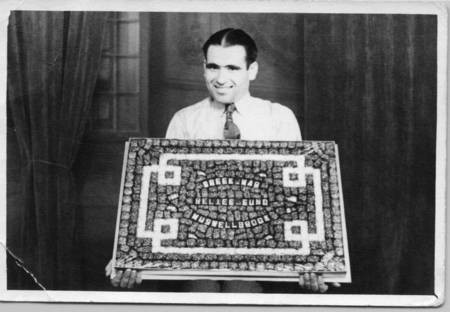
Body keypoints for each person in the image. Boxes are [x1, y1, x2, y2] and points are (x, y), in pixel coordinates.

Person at [107, 28, 339, 293]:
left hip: (262, 249)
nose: (220, 78)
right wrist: (128, 253)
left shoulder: (279, 117)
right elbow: (163, 199)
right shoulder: (184, 120)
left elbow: (299, 198)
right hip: (196, 251)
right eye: (213, 67)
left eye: (232, 68)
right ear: (204, 67)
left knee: (241, 288)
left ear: (252, 70)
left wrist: (317, 260)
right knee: (202, 290)